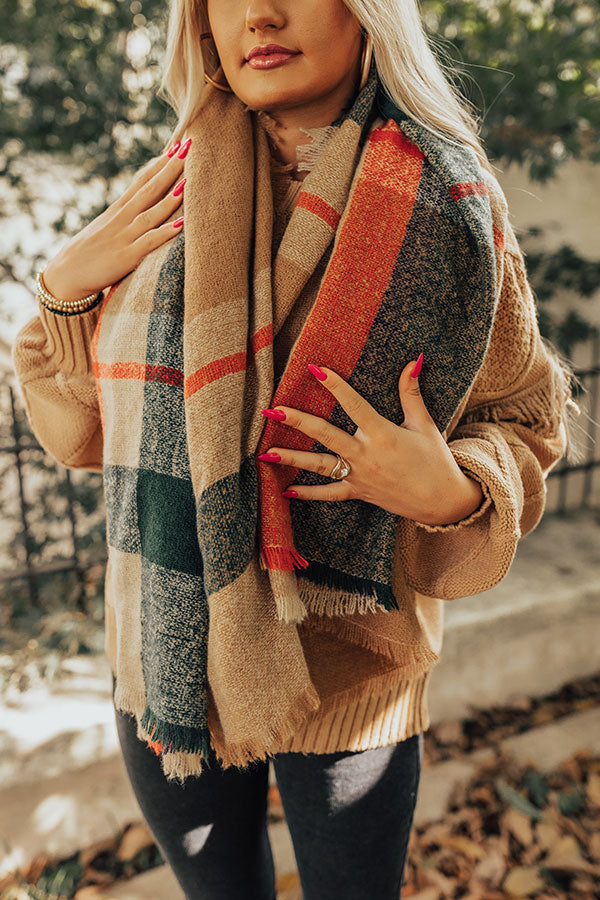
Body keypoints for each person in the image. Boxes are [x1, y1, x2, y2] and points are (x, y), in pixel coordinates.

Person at [12, 1, 580, 898]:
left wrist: (451, 490)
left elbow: (526, 413)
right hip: (166, 644)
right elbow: (81, 432)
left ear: (366, 14)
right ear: (201, 26)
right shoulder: (166, 191)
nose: (261, 14)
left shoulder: (448, 207)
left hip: (351, 661)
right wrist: (63, 292)